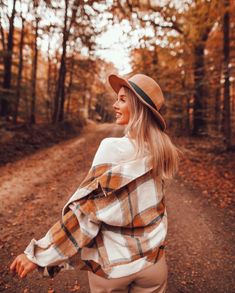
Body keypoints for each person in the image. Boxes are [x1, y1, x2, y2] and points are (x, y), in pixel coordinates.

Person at [10, 73, 181, 292]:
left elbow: (86, 213)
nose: (114, 104)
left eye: (122, 99)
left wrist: (39, 254)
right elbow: (157, 210)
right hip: (154, 265)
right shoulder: (163, 151)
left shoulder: (111, 148)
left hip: (112, 269)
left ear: (138, 106)